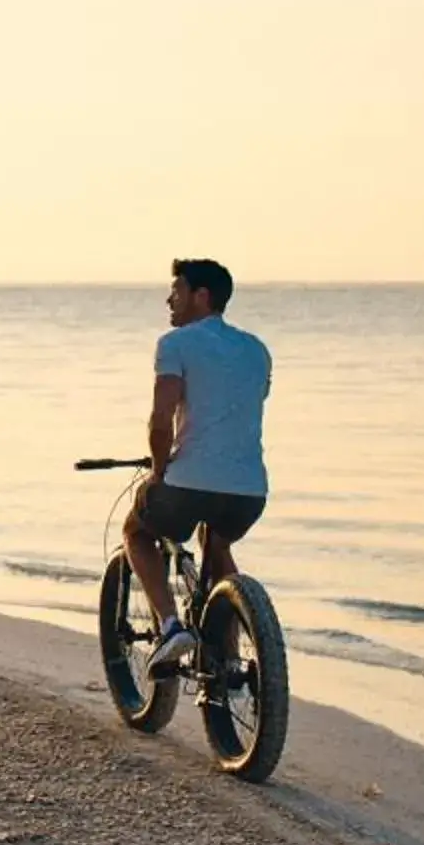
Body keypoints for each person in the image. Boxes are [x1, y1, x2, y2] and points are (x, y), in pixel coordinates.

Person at [125, 258, 270, 676]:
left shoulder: (175, 344)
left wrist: (157, 471)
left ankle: (171, 628)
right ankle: (232, 650)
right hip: (249, 491)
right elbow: (239, 411)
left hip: (188, 484)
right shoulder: (257, 349)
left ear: (201, 296)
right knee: (218, 544)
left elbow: (161, 419)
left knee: (136, 531)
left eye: (177, 290)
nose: (169, 299)